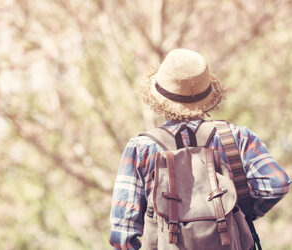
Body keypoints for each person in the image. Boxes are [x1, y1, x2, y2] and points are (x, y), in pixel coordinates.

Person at [109, 48, 291, 250]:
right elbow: (277, 184)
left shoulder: (141, 148)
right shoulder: (237, 138)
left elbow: (122, 233)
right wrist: (238, 210)